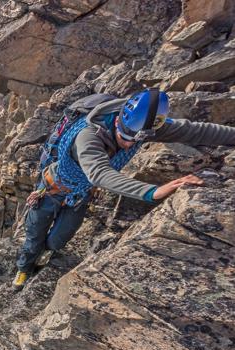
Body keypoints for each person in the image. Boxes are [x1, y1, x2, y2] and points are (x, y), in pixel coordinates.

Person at [13, 88, 235, 288]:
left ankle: (46, 251)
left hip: (80, 194)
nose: (128, 144)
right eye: (124, 138)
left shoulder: (142, 128)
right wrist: (152, 192)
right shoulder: (88, 136)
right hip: (53, 187)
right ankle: (24, 267)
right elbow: (99, 173)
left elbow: (194, 131)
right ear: (118, 121)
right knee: (34, 235)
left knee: (56, 241)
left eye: (134, 141)